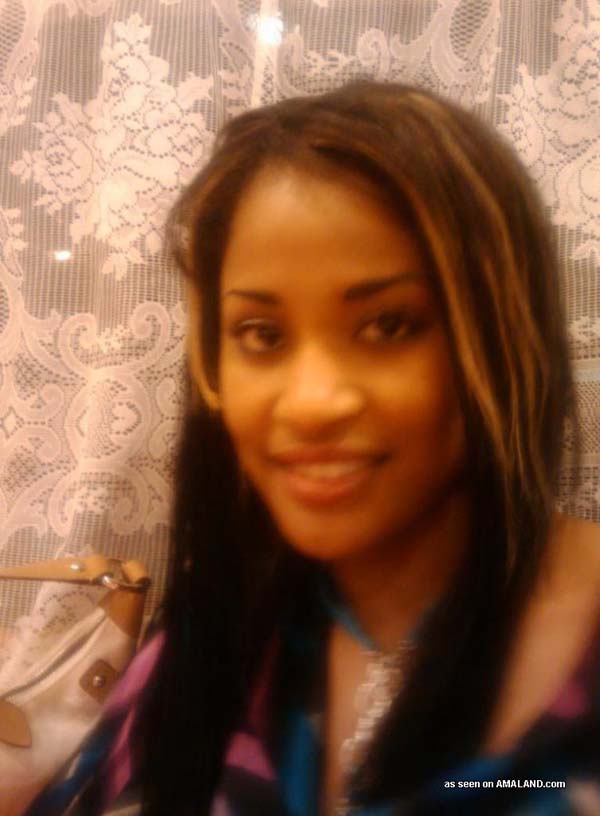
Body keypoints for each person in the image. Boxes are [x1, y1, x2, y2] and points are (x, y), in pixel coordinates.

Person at [28, 81, 600, 816]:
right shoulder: (211, 643)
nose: (311, 402)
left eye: (389, 325)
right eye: (262, 335)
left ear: (505, 332)